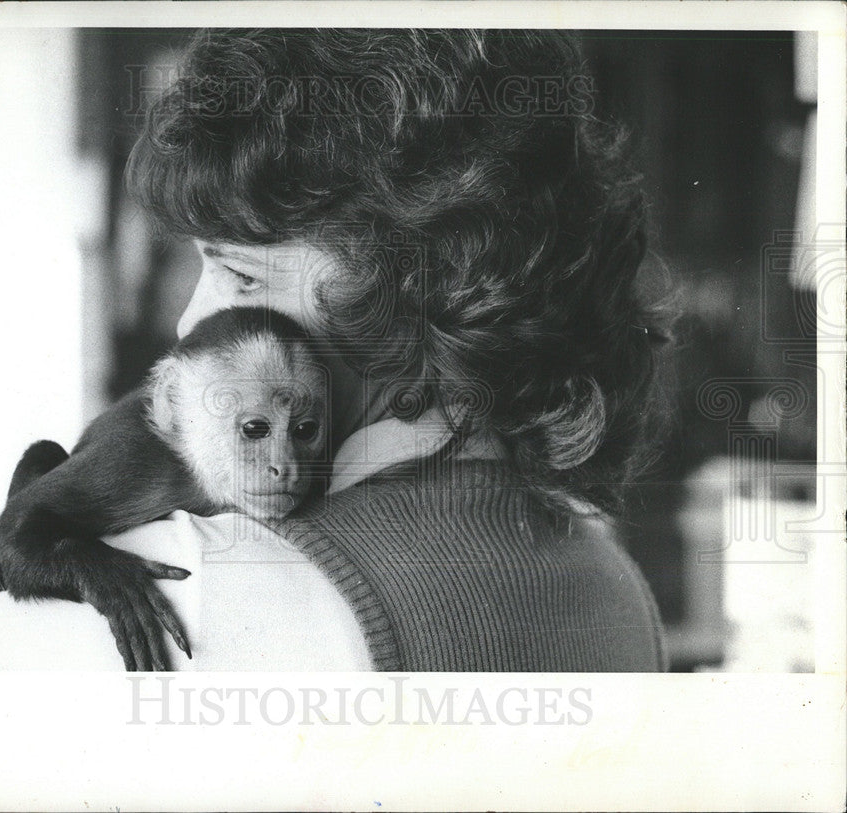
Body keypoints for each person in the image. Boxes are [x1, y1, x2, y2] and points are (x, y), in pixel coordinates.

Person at [121, 28, 668, 671]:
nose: (192, 321)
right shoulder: (615, 585)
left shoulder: (198, 584)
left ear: (408, 289)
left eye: (242, 275)